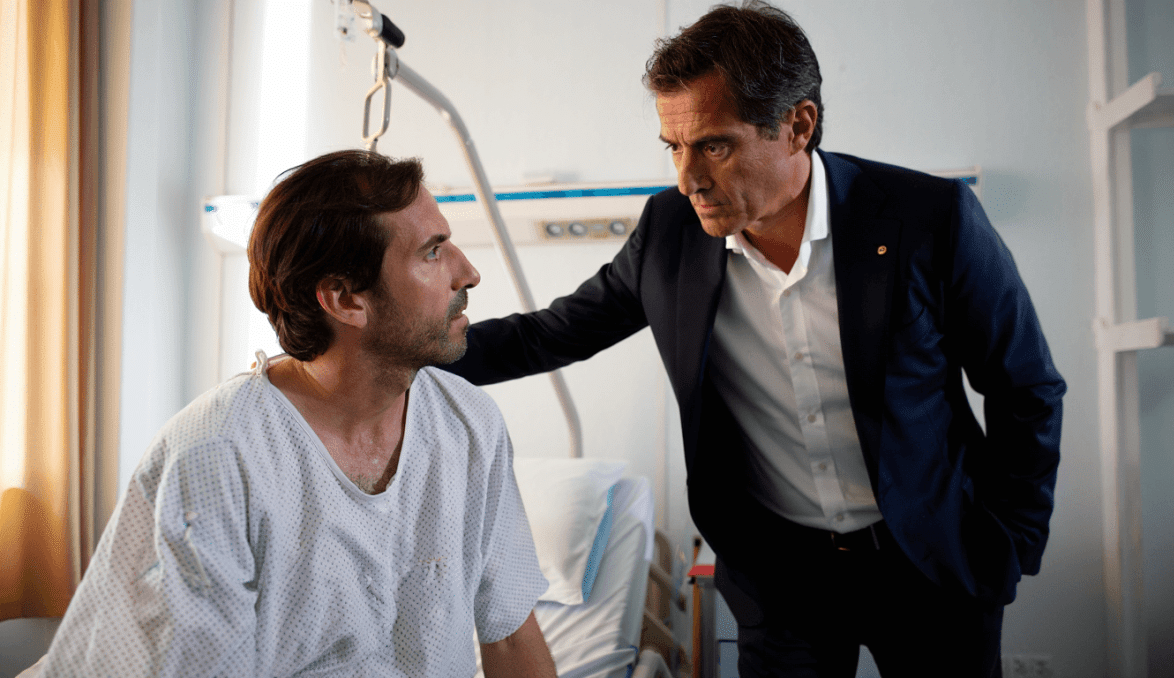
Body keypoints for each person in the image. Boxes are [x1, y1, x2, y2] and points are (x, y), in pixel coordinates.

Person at [443, 2, 1066, 676]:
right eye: (674, 147)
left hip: (931, 561)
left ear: (798, 126)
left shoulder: (928, 219)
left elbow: (1025, 387)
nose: (688, 178)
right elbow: (550, 334)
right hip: (782, 578)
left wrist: (1013, 543)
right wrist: (407, 353)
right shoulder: (671, 233)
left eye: (714, 145)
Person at [33, 150, 556, 677]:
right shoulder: (220, 457)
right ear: (345, 300)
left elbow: (512, 638)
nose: (468, 273)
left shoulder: (469, 426)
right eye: (432, 253)